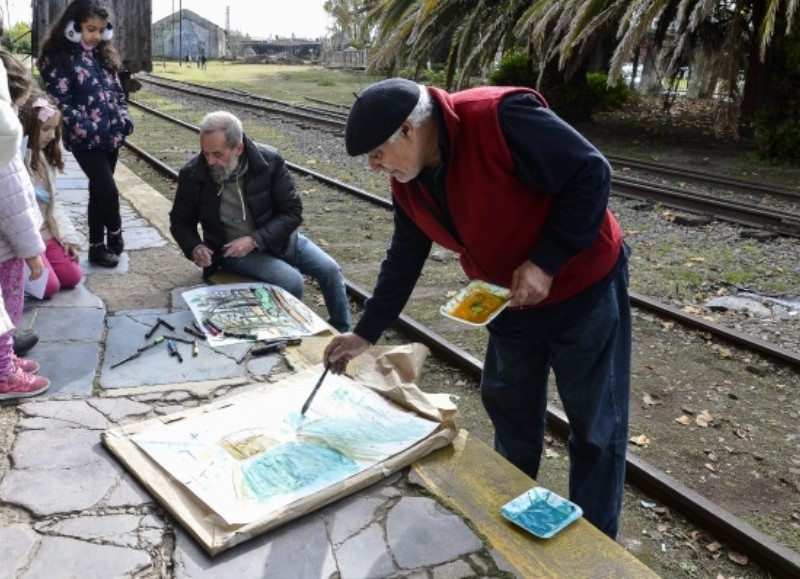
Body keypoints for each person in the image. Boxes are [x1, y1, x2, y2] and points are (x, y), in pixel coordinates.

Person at [323, 78, 631, 539]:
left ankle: (596, 542)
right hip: (508, 299)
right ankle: (517, 514)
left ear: (409, 130)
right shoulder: (406, 181)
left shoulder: (499, 118)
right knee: (509, 406)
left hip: (582, 288)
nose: (374, 167)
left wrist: (547, 260)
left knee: (594, 426)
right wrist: (365, 332)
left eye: (377, 154)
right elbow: (405, 257)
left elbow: (591, 173)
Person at [169, 111, 351, 333]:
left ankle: (342, 331)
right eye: (205, 153)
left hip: (278, 238)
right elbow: (180, 222)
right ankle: (292, 332)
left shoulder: (269, 161)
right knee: (292, 281)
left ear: (238, 148)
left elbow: (293, 211)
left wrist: (255, 239)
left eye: (217, 154)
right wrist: (195, 246)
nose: (209, 161)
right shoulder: (192, 174)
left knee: (331, 270)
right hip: (233, 251)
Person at [37, 0, 134, 268]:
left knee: (98, 191)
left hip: (112, 137)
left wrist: (125, 118)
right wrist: (92, 127)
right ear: (72, 26)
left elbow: (117, 93)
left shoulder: (103, 53)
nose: (96, 36)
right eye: (90, 28)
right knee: (107, 189)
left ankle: (96, 247)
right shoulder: (56, 57)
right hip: (85, 140)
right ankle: (115, 233)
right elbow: (61, 103)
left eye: (101, 30)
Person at [0, 51, 50, 399]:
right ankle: (4, 372)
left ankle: (6, 360)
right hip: (8, 248)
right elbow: (14, 207)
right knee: (5, 310)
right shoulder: (3, 151)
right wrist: (33, 252)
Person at [20, 93, 84, 299]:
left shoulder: (42, 161)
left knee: (73, 276)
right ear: (28, 127)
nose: (52, 135)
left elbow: (54, 203)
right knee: (49, 288)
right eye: (46, 129)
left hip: (46, 233)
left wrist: (66, 237)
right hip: (28, 239)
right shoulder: (17, 163)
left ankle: (47, 262)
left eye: (55, 129)